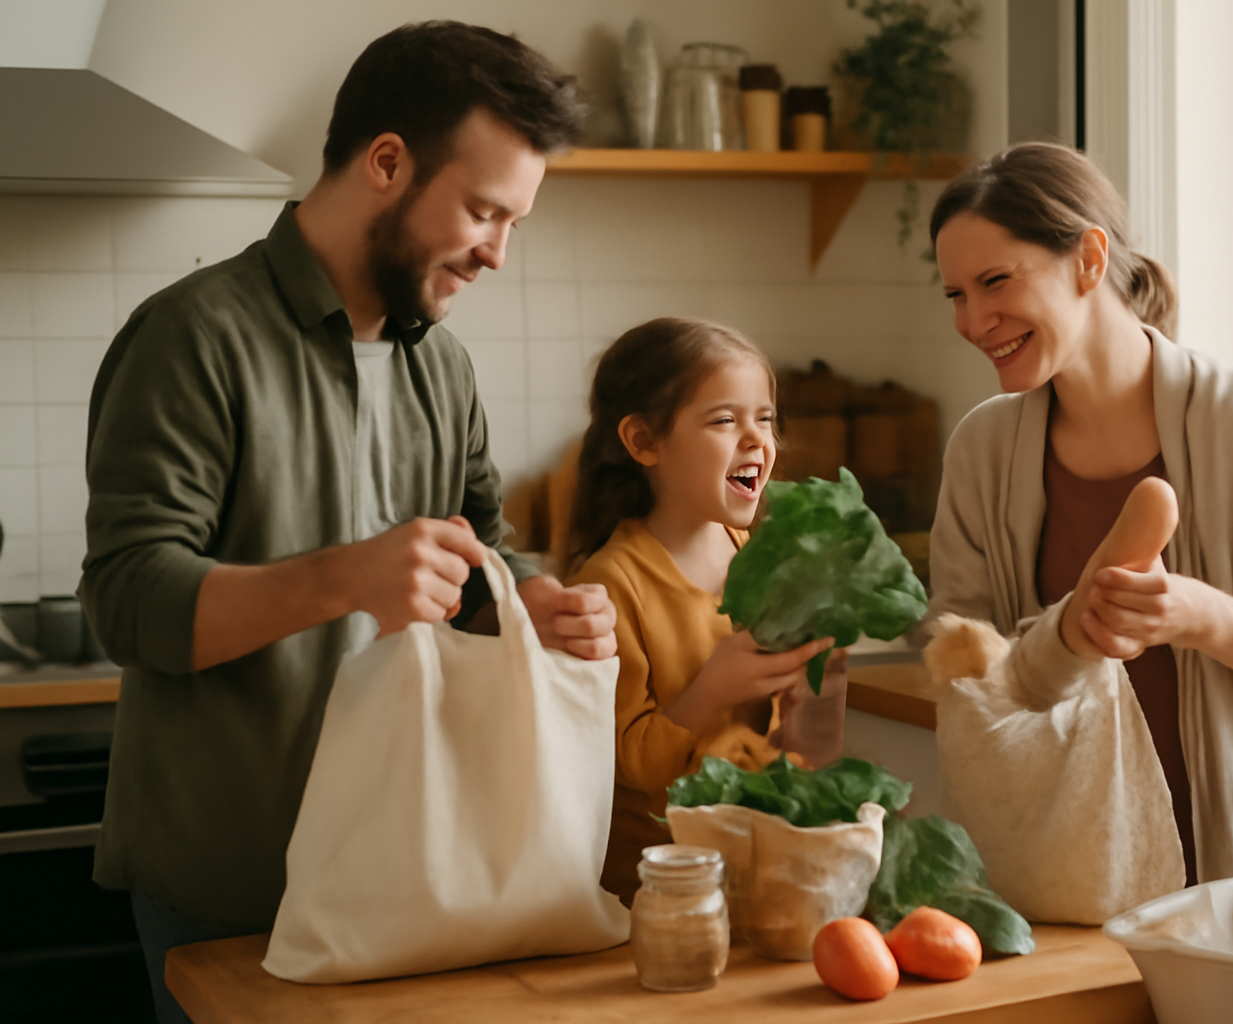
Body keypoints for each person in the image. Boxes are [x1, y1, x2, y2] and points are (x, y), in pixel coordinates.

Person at [79, 22, 616, 1023]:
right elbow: (127, 601)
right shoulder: (193, 336)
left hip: (409, 874)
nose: (499, 252)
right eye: (483, 211)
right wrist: (342, 578)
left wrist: (524, 609)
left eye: (515, 223)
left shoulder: (441, 366)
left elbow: (476, 558)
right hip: (231, 889)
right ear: (386, 163)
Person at [925, 142, 1233, 887]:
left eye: (995, 281)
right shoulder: (982, 450)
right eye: (955, 295)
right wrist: (1071, 634)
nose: (974, 320)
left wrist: (1200, 615)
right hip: (1055, 877)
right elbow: (967, 687)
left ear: (1089, 259)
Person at [563, 317, 849, 904]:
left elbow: (771, 740)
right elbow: (627, 767)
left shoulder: (753, 554)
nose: (756, 440)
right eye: (724, 420)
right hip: (651, 887)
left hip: (745, 857)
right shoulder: (610, 585)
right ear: (644, 441)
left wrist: (809, 694)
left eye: (764, 418)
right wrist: (712, 689)